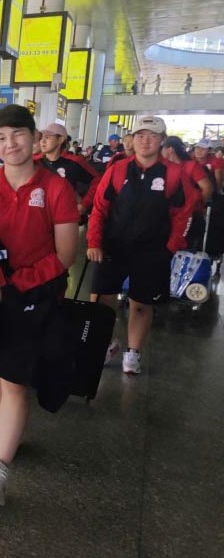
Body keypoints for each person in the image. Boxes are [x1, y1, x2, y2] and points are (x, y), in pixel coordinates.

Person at [0, 104, 79, 506]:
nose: (10, 144)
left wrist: (13, 288)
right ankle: (9, 436)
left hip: (33, 297)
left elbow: (64, 255)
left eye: (17, 135)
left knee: (12, 381)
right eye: (0, 138)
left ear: (35, 138)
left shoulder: (56, 188)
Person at [87, 115, 198, 374]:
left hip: (151, 251)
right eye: (140, 135)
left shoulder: (174, 174)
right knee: (102, 299)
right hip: (113, 247)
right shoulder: (117, 169)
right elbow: (100, 208)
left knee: (140, 303)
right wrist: (94, 241)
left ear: (161, 140)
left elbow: (183, 213)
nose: (145, 141)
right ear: (132, 140)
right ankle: (106, 343)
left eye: (152, 136)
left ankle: (133, 353)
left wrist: (170, 247)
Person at [36, 123, 101, 216]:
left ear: (60, 139)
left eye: (47, 137)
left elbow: (97, 180)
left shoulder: (74, 162)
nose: (42, 141)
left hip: (65, 216)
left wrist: (84, 204)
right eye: (41, 138)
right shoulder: (35, 162)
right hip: (40, 215)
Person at [162, 135, 213, 250]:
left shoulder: (190, 166)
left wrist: (196, 206)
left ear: (170, 150)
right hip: (167, 214)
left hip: (188, 217)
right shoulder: (162, 166)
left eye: (163, 148)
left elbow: (207, 188)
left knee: (182, 247)